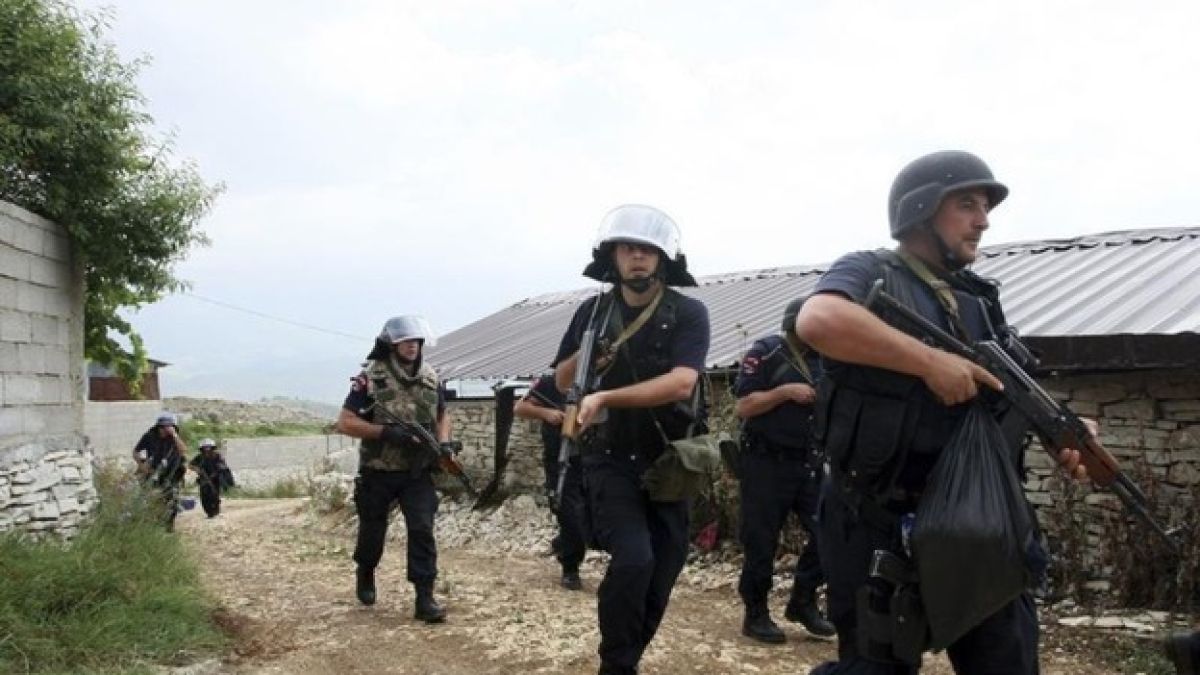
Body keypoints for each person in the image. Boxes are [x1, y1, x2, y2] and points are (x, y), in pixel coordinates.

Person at [795, 150, 1091, 674]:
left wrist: (1059, 428)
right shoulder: (869, 269)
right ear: (921, 210)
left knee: (1007, 662)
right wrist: (929, 362)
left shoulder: (978, 300)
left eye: (985, 208)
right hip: (874, 516)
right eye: (967, 205)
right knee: (876, 666)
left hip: (976, 523)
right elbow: (819, 320)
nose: (983, 221)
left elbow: (1008, 388)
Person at [553, 204, 711, 675]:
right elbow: (561, 380)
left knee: (663, 572)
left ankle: (626, 657)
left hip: (670, 461)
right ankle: (616, 665)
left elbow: (682, 382)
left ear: (663, 259)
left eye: (647, 249)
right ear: (613, 256)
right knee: (634, 561)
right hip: (610, 459)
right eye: (627, 248)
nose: (637, 256)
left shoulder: (688, 312)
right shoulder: (592, 313)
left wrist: (606, 396)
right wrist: (589, 356)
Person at [335, 315, 454, 623]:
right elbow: (346, 422)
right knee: (373, 529)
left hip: (417, 471)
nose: (411, 346)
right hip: (378, 470)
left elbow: (443, 414)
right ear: (392, 344)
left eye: (415, 341)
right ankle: (366, 570)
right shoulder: (370, 377)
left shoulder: (431, 376)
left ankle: (424, 596)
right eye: (405, 341)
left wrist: (444, 443)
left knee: (422, 529)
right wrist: (386, 433)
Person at [734, 297, 835, 644]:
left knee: (829, 531)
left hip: (808, 462)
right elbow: (744, 406)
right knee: (761, 540)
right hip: (765, 462)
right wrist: (783, 392)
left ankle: (803, 599)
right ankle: (756, 612)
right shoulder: (766, 352)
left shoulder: (826, 359)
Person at [514, 371, 587, 590]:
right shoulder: (550, 382)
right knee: (567, 511)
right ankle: (570, 567)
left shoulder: (599, 380)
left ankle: (563, 542)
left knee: (588, 513)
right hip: (560, 458)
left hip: (592, 458)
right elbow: (520, 407)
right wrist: (546, 413)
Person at [133, 412, 189, 530]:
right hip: (153, 472)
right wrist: (142, 465)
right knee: (154, 499)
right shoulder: (149, 436)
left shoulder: (175, 438)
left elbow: (183, 450)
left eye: (168, 426)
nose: (165, 429)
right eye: (162, 427)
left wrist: (174, 435)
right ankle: (156, 524)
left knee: (172, 501)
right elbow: (136, 451)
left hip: (172, 474)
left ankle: (169, 526)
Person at [189, 438, 233, 518]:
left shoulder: (217, 456)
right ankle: (209, 513)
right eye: (205, 447)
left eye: (209, 447)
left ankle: (216, 511)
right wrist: (197, 469)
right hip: (203, 479)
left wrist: (217, 471)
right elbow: (191, 465)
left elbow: (223, 466)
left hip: (215, 479)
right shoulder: (200, 457)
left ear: (212, 448)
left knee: (214, 495)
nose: (207, 449)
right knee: (204, 496)